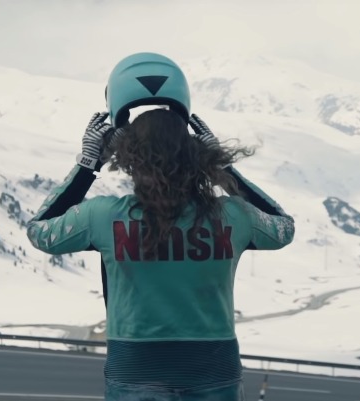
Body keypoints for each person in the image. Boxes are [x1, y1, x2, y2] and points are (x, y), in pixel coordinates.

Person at [27, 52, 295, 401]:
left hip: (134, 371)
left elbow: (40, 230)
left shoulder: (103, 217)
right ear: (197, 154)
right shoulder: (232, 216)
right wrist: (223, 170)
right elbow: (283, 227)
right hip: (215, 371)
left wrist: (88, 162)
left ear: (128, 160)